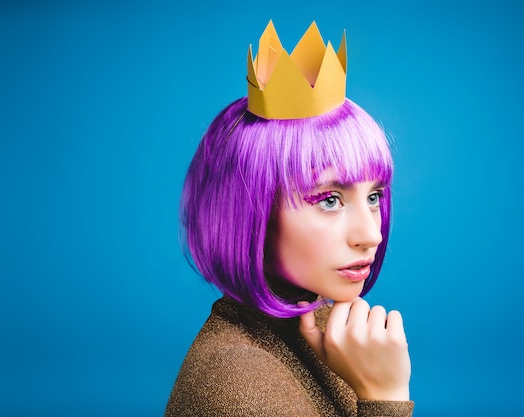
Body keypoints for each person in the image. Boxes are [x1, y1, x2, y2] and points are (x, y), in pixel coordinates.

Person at [165, 21, 413, 417]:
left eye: (373, 196)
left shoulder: (330, 329)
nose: (372, 234)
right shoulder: (238, 381)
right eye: (330, 200)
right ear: (252, 214)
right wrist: (386, 398)